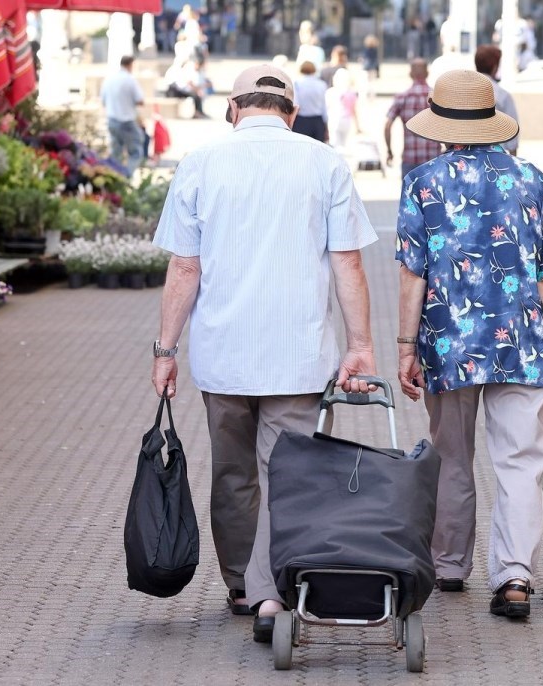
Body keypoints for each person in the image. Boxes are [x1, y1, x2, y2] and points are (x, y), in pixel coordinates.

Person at [150, 64, 378, 643]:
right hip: (298, 355)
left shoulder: (201, 163)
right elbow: (347, 262)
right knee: (290, 474)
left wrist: (164, 350)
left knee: (232, 473)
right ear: (292, 113)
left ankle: (240, 586)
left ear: (232, 109)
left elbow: (184, 267)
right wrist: (360, 345)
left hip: (223, 355)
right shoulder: (324, 162)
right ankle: (272, 591)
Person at [394, 69, 543, 619]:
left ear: (442, 127)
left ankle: (450, 564)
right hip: (523, 343)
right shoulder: (531, 179)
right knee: (521, 460)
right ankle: (515, 577)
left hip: (449, 344)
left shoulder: (423, 183)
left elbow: (413, 276)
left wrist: (405, 348)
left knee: (451, 455)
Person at [384, 59, 441, 179]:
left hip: (410, 159)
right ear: (427, 73)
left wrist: (389, 151)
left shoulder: (402, 97)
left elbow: (387, 126)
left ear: (410, 74)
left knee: (410, 196)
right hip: (434, 159)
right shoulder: (437, 98)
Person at [101, 55, 145, 174]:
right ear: (130, 65)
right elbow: (140, 100)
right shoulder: (130, 80)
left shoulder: (109, 79)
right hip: (126, 120)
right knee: (135, 151)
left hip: (112, 119)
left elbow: (103, 101)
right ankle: (126, 175)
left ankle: (116, 178)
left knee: (116, 153)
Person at [474, 45, 520, 156]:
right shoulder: (503, 96)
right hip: (496, 158)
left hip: (465, 158)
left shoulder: (463, 91)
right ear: (495, 67)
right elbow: (512, 135)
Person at [291, 60, 328, 142]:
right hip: (318, 121)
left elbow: (296, 104)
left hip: (301, 120)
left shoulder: (297, 83)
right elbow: (324, 106)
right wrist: (326, 125)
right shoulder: (322, 84)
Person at [325, 68, 360, 150]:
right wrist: (357, 126)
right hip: (347, 121)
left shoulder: (331, 92)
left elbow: (326, 109)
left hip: (334, 120)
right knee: (343, 145)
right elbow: (354, 110)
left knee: (334, 145)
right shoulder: (352, 93)